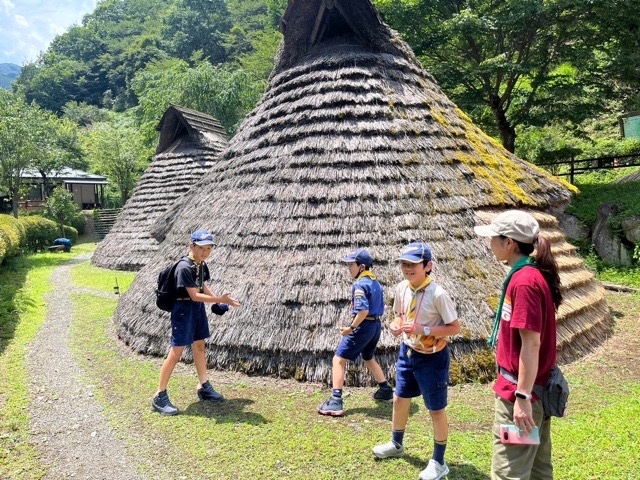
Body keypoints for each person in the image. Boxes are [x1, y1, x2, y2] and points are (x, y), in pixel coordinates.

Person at [474, 210, 562, 479]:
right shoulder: (530, 275)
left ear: (509, 242)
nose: (490, 244)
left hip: (522, 393)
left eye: (493, 238)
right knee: (537, 470)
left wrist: (522, 397)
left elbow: (531, 344)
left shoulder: (524, 281)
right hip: (535, 389)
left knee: (508, 472)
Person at [373, 242, 460, 480]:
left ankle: (439, 462)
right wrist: (394, 326)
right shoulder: (402, 287)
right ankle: (396, 443)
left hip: (432, 358)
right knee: (400, 399)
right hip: (407, 351)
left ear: (428, 266)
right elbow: (397, 317)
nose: (407, 268)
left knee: (436, 410)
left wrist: (423, 328)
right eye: (404, 264)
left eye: (413, 264)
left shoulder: (438, 294)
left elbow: (454, 327)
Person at [152, 230, 240, 416]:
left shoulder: (199, 264)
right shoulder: (184, 267)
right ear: (191, 246)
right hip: (183, 310)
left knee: (200, 345)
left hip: (197, 309)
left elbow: (201, 286)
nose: (205, 252)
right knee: (176, 353)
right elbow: (193, 294)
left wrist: (219, 300)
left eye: (208, 248)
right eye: (201, 248)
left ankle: (203, 386)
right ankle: (159, 395)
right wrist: (217, 298)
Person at [317, 248, 393, 416]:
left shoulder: (360, 284)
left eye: (351, 265)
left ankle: (336, 401)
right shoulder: (376, 283)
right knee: (368, 357)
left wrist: (350, 328)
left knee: (338, 360)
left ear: (362, 267)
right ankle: (386, 390)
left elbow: (363, 311)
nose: (349, 268)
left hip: (363, 326)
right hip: (375, 326)